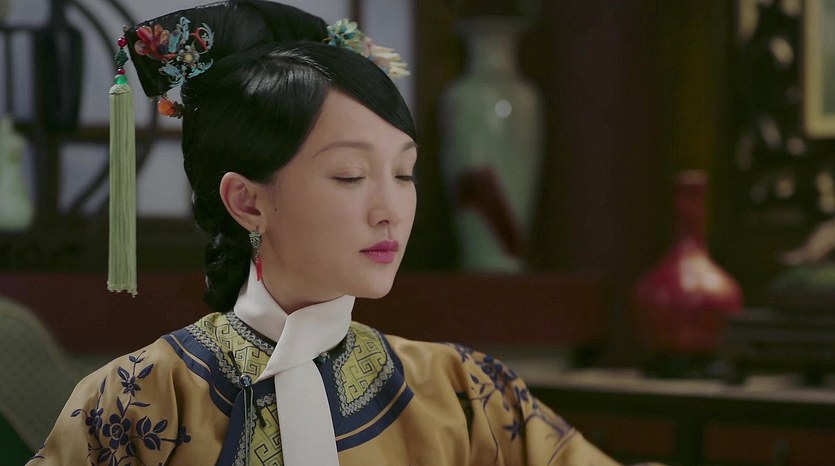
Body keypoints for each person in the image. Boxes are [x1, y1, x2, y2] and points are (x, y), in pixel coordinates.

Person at [27, 1, 623, 465]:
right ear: (247, 201)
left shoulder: (466, 393)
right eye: (350, 175)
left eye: (404, 173)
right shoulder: (137, 401)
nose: (390, 210)